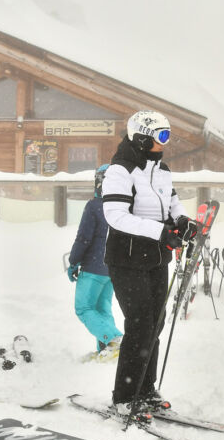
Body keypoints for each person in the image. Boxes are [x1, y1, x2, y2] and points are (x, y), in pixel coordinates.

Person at [102, 110, 197, 418]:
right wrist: (161, 231)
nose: (165, 143)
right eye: (162, 136)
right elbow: (115, 216)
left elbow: (171, 202)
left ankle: (145, 388)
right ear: (143, 137)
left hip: (156, 257)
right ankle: (125, 395)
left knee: (155, 323)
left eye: (168, 136)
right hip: (127, 258)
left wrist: (182, 221)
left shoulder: (162, 169)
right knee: (140, 323)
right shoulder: (120, 171)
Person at [68, 164, 122, 359]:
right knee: (101, 308)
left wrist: (74, 262)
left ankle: (114, 339)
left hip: (93, 267)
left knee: (84, 308)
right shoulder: (122, 208)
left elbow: (84, 237)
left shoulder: (94, 206)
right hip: (113, 269)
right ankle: (107, 350)